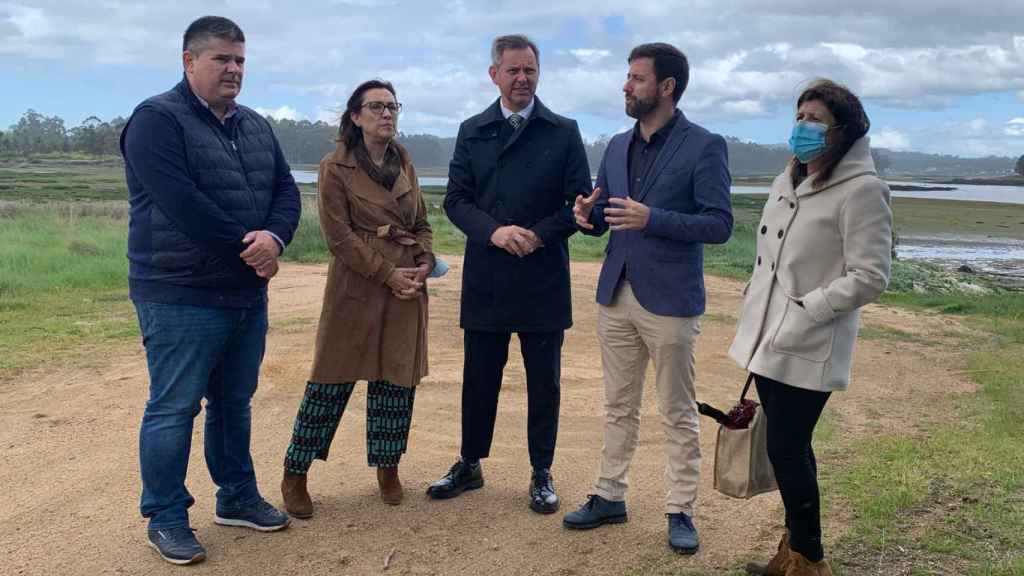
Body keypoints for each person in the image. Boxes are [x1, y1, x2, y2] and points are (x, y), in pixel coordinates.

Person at [120, 15, 300, 566]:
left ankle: (237, 496)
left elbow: (286, 192)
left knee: (233, 403)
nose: (234, 69)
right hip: (179, 291)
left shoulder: (255, 125)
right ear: (188, 61)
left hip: (244, 293)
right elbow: (183, 204)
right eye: (222, 58)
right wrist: (253, 249)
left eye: (240, 59)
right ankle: (167, 516)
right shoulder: (156, 120)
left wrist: (274, 236)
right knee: (174, 407)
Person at [562, 43, 732, 554]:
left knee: (677, 409)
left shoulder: (705, 145)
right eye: (627, 77)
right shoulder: (616, 145)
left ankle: (681, 509)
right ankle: (610, 495)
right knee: (618, 404)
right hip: (617, 291)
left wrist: (652, 218)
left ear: (667, 87)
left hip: (672, 300)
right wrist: (586, 215)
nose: (626, 86)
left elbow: (720, 224)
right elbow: (605, 215)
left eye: (637, 78)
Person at [730, 80, 892, 576]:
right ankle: (795, 551)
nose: (803, 127)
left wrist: (810, 308)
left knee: (786, 446)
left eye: (816, 119)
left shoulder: (863, 190)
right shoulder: (789, 178)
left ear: (843, 130)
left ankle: (810, 560)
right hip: (768, 335)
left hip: (809, 339)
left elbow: (871, 275)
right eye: (800, 116)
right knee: (789, 447)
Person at [427, 34, 591, 514]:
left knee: (545, 382)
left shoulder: (563, 131)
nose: (522, 79)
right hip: (488, 275)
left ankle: (541, 471)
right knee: (479, 377)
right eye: (514, 70)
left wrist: (539, 235)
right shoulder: (472, 129)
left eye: (530, 71)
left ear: (539, 74)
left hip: (543, 276)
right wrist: (495, 233)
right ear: (494, 74)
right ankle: (470, 462)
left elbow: (579, 205)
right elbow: (456, 200)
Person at [280, 80, 434, 518]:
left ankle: (388, 467)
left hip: (407, 285)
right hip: (358, 287)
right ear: (355, 116)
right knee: (330, 381)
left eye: (392, 106)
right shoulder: (334, 167)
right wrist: (387, 274)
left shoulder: (405, 161)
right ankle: (296, 472)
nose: (387, 114)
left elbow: (421, 221)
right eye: (376, 107)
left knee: (395, 382)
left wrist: (423, 260)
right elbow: (339, 237)